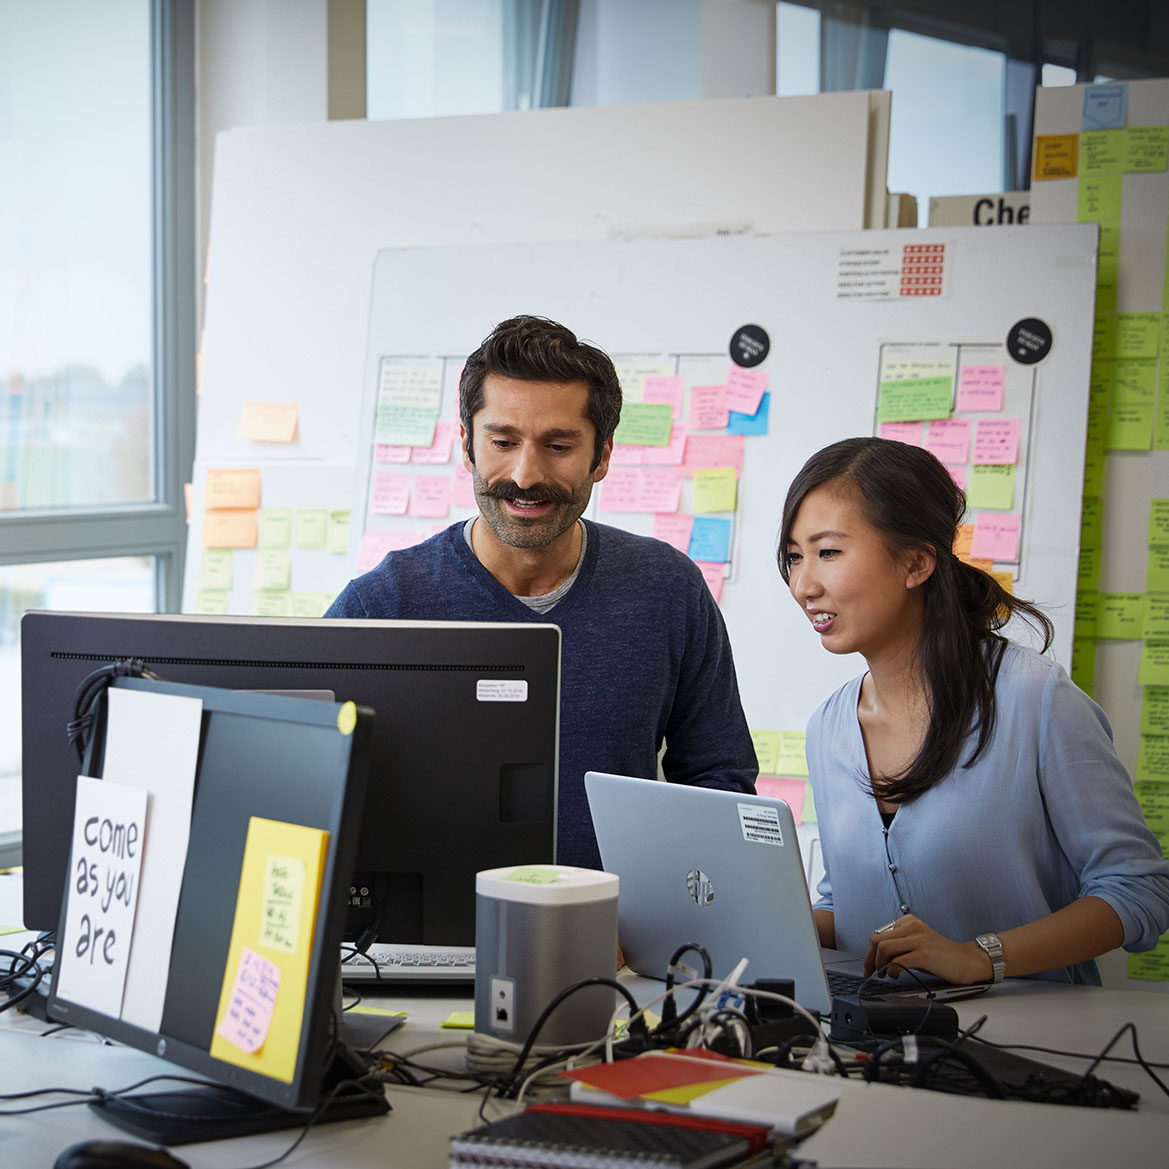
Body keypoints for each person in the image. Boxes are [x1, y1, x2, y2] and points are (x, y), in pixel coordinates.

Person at [328, 315, 757, 869]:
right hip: (419, 947)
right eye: (503, 442)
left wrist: (660, 913)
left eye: (557, 445)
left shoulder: (668, 591)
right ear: (468, 445)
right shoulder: (382, 606)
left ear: (602, 456)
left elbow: (719, 783)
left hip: (616, 946)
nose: (526, 475)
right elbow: (304, 784)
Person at [778, 436, 1169, 986]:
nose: (803, 585)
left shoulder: (1037, 700)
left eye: (829, 552)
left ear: (916, 562)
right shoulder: (829, 728)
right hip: (876, 1048)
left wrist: (981, 956)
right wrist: (740, 914)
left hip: (1032, 1053)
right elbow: (850, 908)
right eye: (795, 556)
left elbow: (1138, 889)